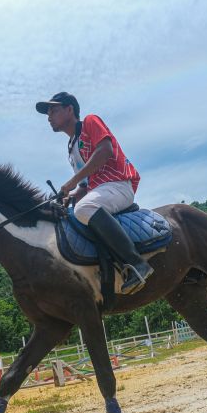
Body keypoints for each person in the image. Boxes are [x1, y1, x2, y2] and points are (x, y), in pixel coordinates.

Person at [36, 92, 154, 294]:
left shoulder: (90, 121)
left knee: (85, 208)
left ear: (69, 109)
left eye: (53, 110)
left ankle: (137, 263)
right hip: (100, 191)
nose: (49, 117)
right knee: (76, 211)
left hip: (118, 184)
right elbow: (85, 185)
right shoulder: (71, 149)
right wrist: (71, 196)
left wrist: (71, 183)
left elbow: (105, 151)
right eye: (48, 113)